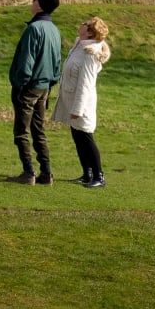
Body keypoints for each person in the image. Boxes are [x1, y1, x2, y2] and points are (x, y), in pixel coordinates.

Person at [7, 0, 63, 185]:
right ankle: (46, 172)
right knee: (39, 129)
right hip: (45, 86)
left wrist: (20, 83)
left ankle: (28, 172)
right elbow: (57, 61)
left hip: (29, 86)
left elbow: (26, 61)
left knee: (21, 130)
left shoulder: (34, 29)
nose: (31, 2)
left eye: (34, 0)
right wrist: (51, 82)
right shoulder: (54, 29)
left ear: (39, 6)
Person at [56, 14, 111, 188]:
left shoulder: (89, 53)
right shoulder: (79, 45)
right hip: (72, 99)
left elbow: (86, 83)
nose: (80, 24)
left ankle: (98, 175)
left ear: (89, 33)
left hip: (82, 102)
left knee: (86, 136)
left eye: (85, 24)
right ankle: (86, 173)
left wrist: (77, 108)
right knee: (77, 136)